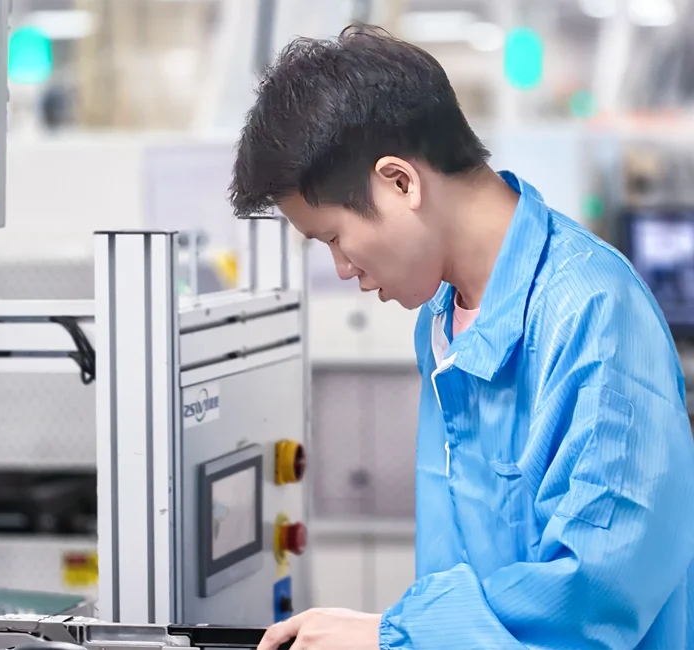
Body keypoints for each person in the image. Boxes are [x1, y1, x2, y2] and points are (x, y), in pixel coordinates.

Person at [228, 25, 694, 650]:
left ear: (399, 182)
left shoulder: (594, 314)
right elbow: (466, 569)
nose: (343, 269)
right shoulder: (443, 322)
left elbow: (593, 596)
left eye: (335, 238)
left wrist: (392, 636)